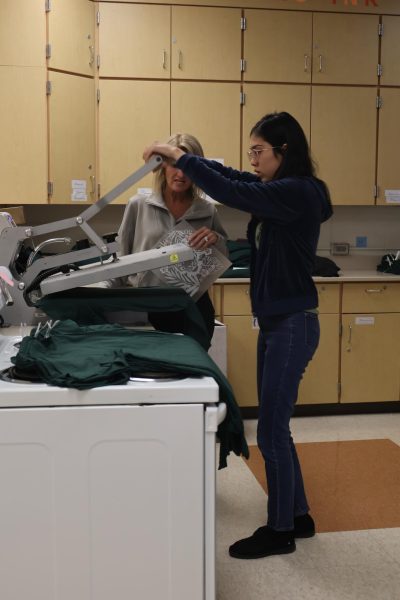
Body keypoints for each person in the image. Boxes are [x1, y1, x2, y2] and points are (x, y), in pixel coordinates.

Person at [143, 112, 333, 559]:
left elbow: (230, 190)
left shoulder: (299, 191)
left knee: (269, 432)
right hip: (277, 323)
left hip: (293, 323)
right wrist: (192, 161)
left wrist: (178, 156)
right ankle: (299, 516)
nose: (252, 158)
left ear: (283, 152)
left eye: (258, 151)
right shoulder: (276, 193)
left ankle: (280, 529)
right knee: (276, 429)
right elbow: (232, 180)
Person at [113, 132, 228, 341]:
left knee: (193, 370)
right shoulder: (139, 205)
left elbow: (222, 255)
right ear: (162, 166)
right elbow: (120, 256)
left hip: (193, 307)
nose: (181, 175)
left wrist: (215, 240)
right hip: (147, 306)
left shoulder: (207, 210)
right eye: (175, 165)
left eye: (188, 167)